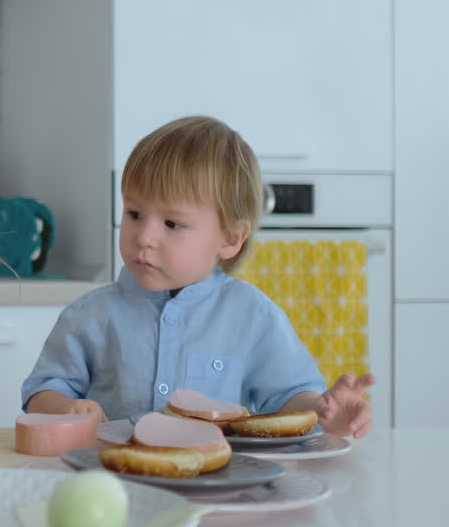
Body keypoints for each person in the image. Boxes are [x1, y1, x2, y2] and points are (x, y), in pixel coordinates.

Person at [21, 115, 376, 438]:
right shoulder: (90, 314)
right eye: (134, 213)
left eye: (172, 223)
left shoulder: (252, 315)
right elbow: (42, 392)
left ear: (230, 238)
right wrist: (65, 408)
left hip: (217, 491)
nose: (144, 236)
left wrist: (323, 411)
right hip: (114, 489)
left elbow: (288, 398)